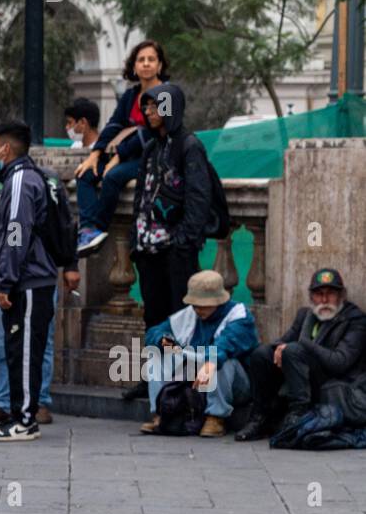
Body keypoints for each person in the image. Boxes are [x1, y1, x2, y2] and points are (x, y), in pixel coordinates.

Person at [0, 120, 62, 441]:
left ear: (6, 148)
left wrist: (6, 281)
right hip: (32, 279)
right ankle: (18, 415)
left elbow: (16, 234)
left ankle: (25, 420)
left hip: (28, 281)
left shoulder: (19, 182)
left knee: (26, 352)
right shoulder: (32, 177)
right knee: (19, 350)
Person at [236, 269, 366, 441]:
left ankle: (298, 415)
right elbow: (283, 340)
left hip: (333, 383)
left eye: (331, 294)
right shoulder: (306, 315)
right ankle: (259, 418)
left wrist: (300, 344)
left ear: (341, 296)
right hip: (302, 375)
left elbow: (339, 362)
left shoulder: (355, 320)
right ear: (311, 297)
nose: (325, 300)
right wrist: (281, 347)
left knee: (293, 350)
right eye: (319, 294)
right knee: (262, 354)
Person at [131, 82, 214, 332]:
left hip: (175, 254)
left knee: (180, 321)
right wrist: (135, 239)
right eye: (147, 106)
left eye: (155, 106)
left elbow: (199, 198)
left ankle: (178, 370)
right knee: (154, 323)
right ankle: (160, 368)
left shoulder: (189, 146)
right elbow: (141, 195)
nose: (148, 112)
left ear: (170, 108)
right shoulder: (151, 148)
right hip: (148, 253)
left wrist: (182, 242)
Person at [74, 39, 166, 255]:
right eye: (141, 60)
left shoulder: (167, 94)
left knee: (113, 177)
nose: (146, 64)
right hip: (128, 155)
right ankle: (87, 229)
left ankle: (98, 228)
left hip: (154, 157)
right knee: (85, 174)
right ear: (134, 66)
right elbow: (114, 125)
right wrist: (95, 154)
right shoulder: (130, 96)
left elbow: (154, 130)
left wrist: (118, 156)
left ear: (160, 65)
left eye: (151, 59)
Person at [139, 270, 257, 438]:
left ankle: (215, 416)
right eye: (196, 305)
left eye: (204, 305)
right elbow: (154, 332)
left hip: (235, 384)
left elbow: (226, 344)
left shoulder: (240, 315)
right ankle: (161, 414)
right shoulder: (189, 314)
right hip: (194, 377)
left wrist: (210, 363)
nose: (198, 309)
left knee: (222, 361)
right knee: (156, 356)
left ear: (219, 301)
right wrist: (162, 340)